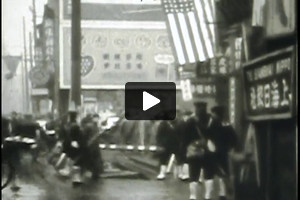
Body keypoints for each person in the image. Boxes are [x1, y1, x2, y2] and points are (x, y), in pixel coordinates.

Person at [202, 106, 237, 200]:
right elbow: (234, 139)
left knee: (209, 174)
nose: (212, 115)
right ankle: (222, 194)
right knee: (223, 173)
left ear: (216, 114)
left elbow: (206, 136)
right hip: (223, 153)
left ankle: (208, 195)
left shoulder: (211, 124)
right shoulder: (227, 124)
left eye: (213, 113)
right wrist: (229, 148)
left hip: (210, 153)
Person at [184, 102, 210, 200]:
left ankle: (193, 196)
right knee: (208, 173)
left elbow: (185, 136)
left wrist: (184, 148)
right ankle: (208, 196)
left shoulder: (190, 121)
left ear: (196, 109)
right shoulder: (210, 119)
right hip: (207, 149)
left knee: (193, 173)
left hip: (193, 150)